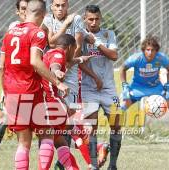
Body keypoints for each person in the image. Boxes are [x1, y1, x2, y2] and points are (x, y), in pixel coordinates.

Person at [1, 0, 69, 169]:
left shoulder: (10, 33)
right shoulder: (37, 33)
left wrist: (5, 92)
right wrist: (57, 83)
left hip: (12, 91)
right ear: (43, 15)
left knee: (23, 142)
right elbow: (35, 62)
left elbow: (1, 66)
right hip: (30, 89)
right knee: (46, 133)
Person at [42, 1, 102, 169]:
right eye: (57, 5)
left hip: (71, 81)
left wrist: (67, 65)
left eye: (63, 5)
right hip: (56, 80)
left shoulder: (75, 19)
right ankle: (83, 159)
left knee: (67, 123)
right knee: (63, 127)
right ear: (52, 7)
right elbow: (52, 43)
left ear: (68, 6)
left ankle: (90, 158)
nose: (60, 9)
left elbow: (74, 45)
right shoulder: (48, 21)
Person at [120, 35, 169, 145]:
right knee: (120, 107)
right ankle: (113, 135)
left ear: (157, 51)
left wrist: (168, 84)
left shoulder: (161, 58)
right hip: (138, 87)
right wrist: (125, 85)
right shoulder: (136, 58)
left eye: (153, 50)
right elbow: (123, 68)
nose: (150, 52)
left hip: (156, 87)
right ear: (143, 50)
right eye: (147, 50)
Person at [0, 1, 29, 169]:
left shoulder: (41, 27)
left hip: (32, 82)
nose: (26, 12)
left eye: (29, 8)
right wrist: (5, 87)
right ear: (17, 11)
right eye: (23, 9)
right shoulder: (15, 27)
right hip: (16, 82)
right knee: (6, 121)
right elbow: (3, 62)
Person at [42, 34, 93, 170]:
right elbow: (55, 65)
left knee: (58, 139)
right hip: (53, 99)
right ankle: (94, 157)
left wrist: (80, 59)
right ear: (69, 47)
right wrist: (57, 72)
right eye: (75, 48)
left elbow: (67, 62)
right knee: (73, 129)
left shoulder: (50, 52)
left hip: (42, 101)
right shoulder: (59, 54)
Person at [81, 5, 120, 170]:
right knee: (91, 127)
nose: (94, 22)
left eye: (97, 19)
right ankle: (94, 164)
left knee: (116, 126)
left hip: (109, 88)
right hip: (89, 88)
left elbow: (114, 56)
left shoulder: (108, 34)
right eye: (90, 19)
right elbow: (78, 61)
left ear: (101, 19)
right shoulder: (80, 36)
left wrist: (96, 42)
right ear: (85, 19)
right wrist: (95, 77)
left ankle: (112, 165)